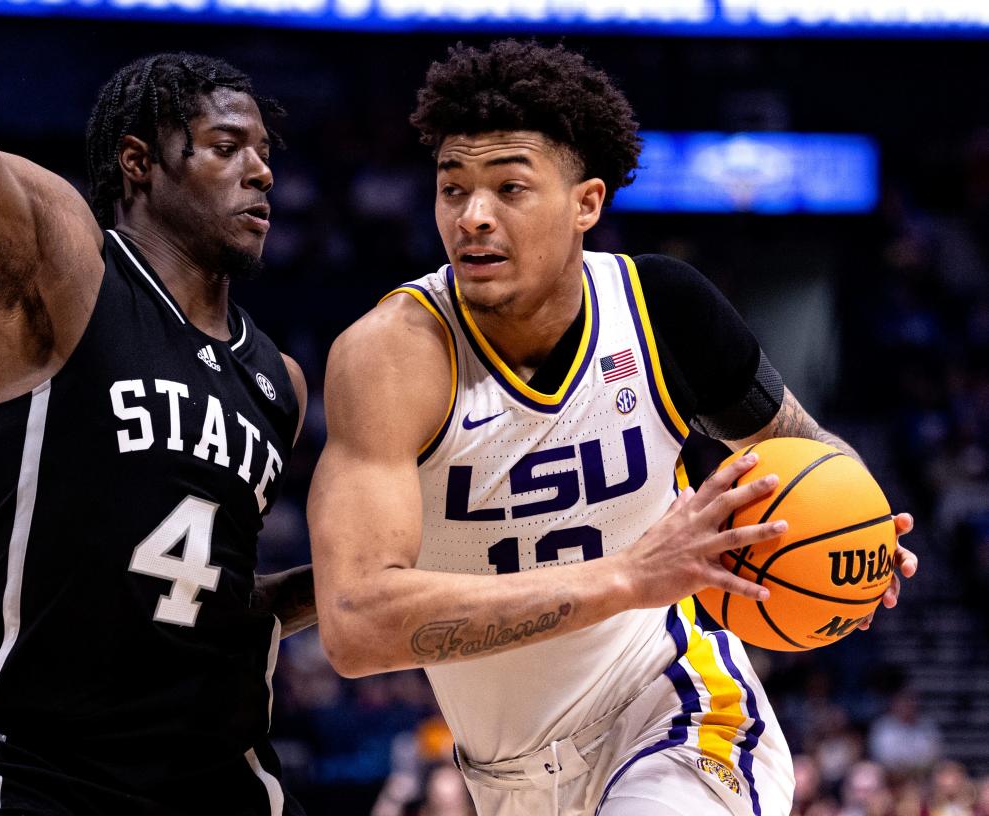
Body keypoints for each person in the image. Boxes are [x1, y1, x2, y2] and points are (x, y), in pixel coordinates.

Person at [308, 39, 918, 816]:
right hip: (504, 773)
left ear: (586, 203)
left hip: (677, 711)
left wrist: (860, 531)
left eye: (509, 187)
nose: (473, 217)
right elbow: (357, 625)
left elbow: (803, 449)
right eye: (452, 188)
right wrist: (626, 577)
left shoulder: (663, 310)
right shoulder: (391, 356)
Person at [0, 3, 315, 813]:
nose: (262, 171)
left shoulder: (278, 381)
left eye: (265, 152)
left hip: (222, 783)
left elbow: (199, 590)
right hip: (43, 775)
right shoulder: (61, 269)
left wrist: (344, 584)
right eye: (227, 147)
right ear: (138, 162)